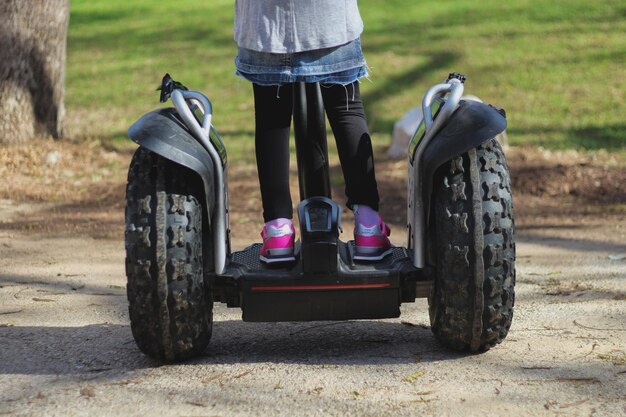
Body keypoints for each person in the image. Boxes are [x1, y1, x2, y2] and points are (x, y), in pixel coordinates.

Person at [233, 0, 391, 263]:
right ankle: (369, 226)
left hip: (265, 25)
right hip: (328, 21)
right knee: (347, 111)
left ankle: (278, 231)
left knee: (272, 119)